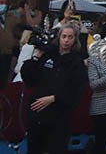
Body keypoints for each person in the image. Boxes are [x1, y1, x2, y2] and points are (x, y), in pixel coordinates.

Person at [21, 23, 88, 154]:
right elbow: (29, 78)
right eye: (64, 36)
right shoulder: (48, 55)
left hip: (60, 116)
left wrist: (54, 98)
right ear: (59, 38)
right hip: (38, 113)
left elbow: (77, 89)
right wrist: (36, 57)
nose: (67, 40)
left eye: (70, 37)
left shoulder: (77, 62)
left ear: (75, 39)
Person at [0, 0, 20, 88]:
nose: (2, 5)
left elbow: (20, 34)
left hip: (7, 54)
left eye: (3, 3)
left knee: (3, 80)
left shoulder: (13, 19)